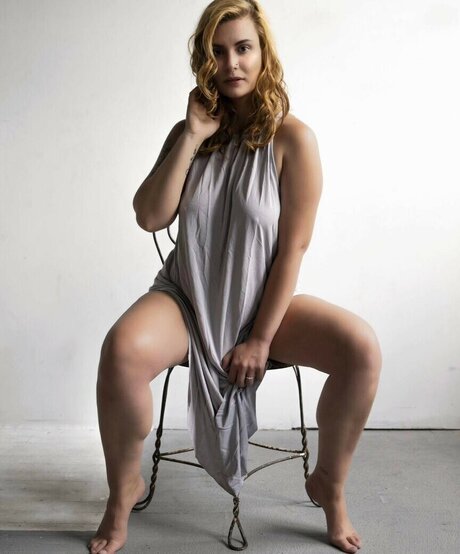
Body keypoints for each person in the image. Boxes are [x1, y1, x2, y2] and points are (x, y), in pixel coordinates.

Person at [88, 1, 382, 553]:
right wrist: (192, 136)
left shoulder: (294, 140)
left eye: (243, 48)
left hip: (264, 303)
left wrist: (261, 339)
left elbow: (293, 248)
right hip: (188, 298)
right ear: (204, 61)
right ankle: (123, 487)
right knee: (120, 349)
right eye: (217, 52)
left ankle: (330, 484)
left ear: (263, 52)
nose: (231, 64)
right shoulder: (189, 132)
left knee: (360, 348)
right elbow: (149, 216)